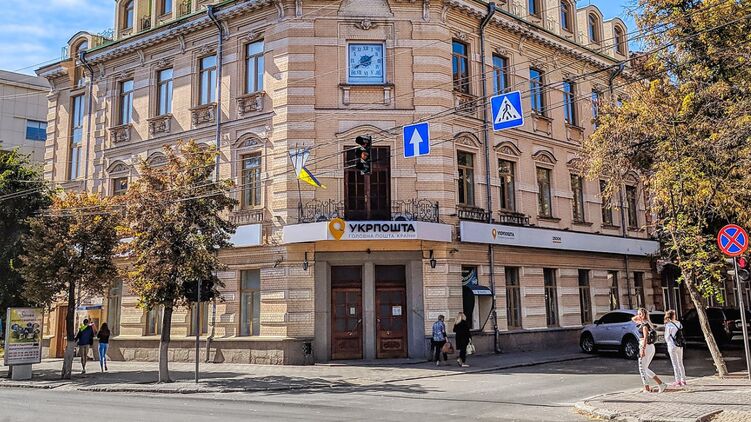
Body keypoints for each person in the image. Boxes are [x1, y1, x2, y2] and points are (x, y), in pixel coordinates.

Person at [632, 308, 666, 392]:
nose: (638, 315)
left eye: (640, 314)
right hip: (650, 347)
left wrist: (642, 349)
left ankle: (647, 388)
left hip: (645, 346)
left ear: (643, 315)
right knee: (645, 368)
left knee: (642, 368)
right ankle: (661, 384)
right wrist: (641, 315)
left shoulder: (644, 326)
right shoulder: (648, 323)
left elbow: (645, 338)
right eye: (638, 314)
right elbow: (633, 319)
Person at [664, 310, 687, 386]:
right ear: (674, 315)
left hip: (672, 345)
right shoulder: (679, 323)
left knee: (675, 364)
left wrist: (668, 342)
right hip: (680, 345)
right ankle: (683, 380)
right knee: (680, 363)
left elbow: (667, 337)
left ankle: (678, 381)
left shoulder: (668, 325)